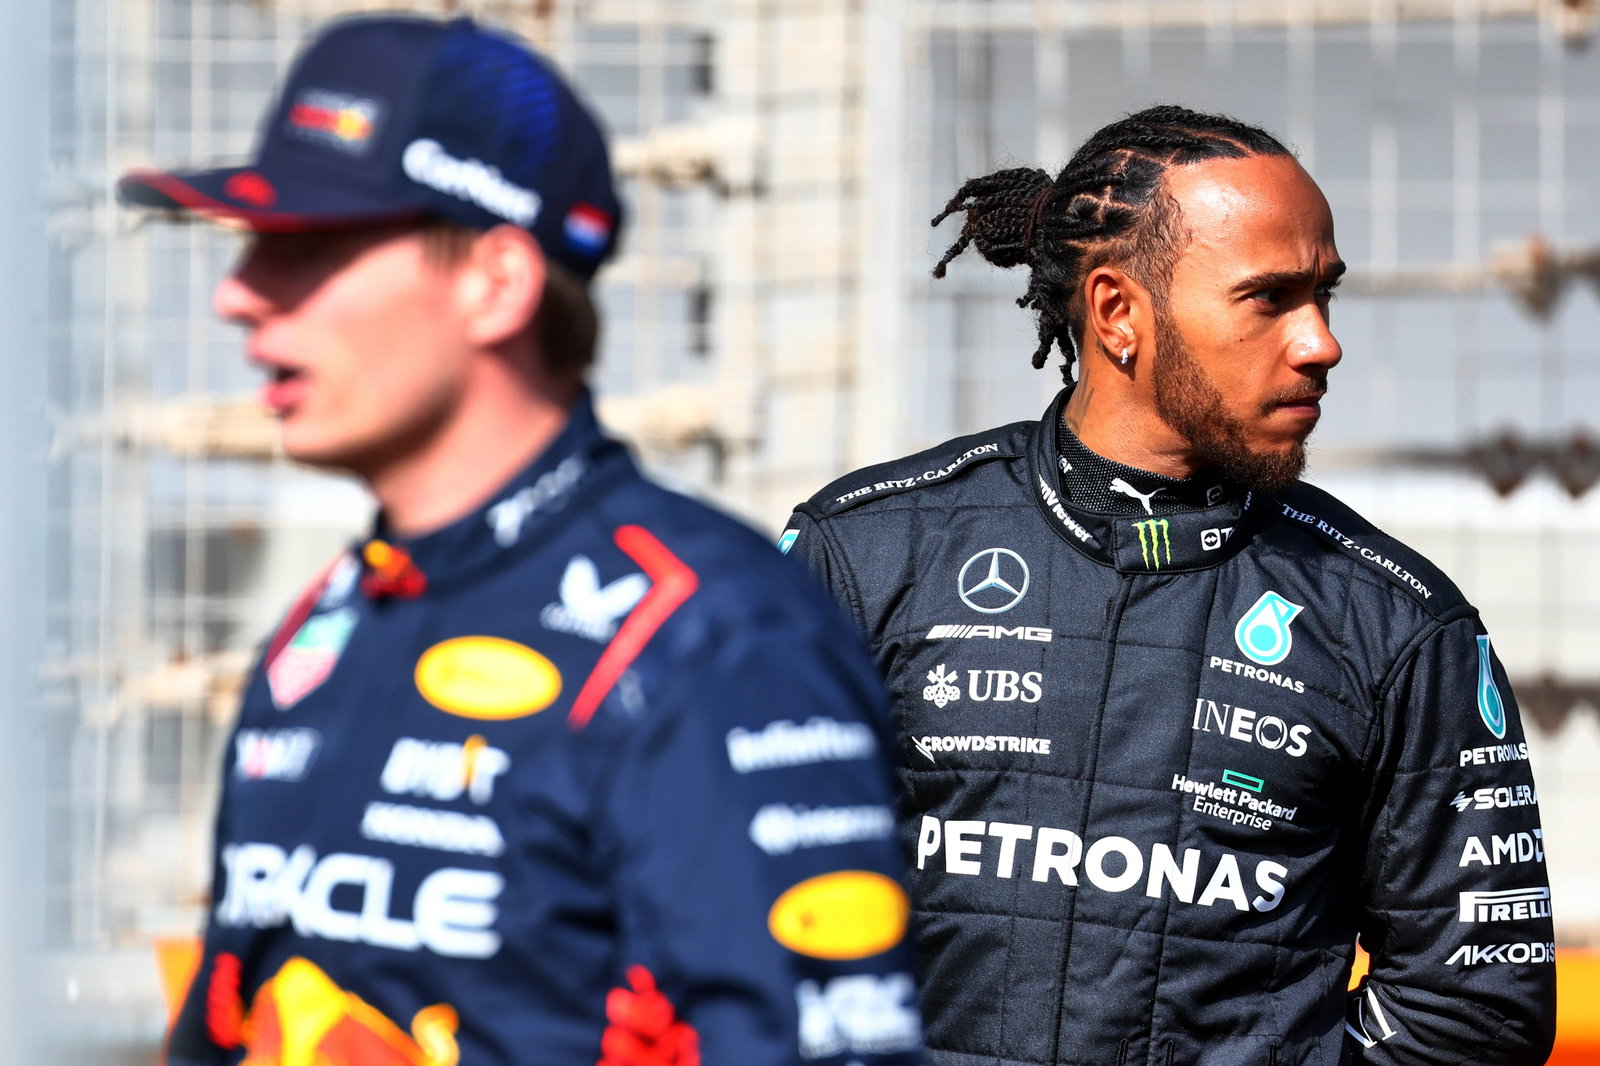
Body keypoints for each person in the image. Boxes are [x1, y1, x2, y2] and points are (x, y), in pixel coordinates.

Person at [119, 14, 924, 1066]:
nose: (238, 295)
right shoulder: (327, 625)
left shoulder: (715, 640)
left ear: (495, 282)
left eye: (308, 245)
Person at [782, 105, 1555, 1065]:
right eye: (1270, 298)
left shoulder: (1399, 624)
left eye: (1324, 296)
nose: (1321, 343)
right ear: (1117, 314)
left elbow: (1473, 1012)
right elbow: (712, 899)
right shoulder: (863, 553)